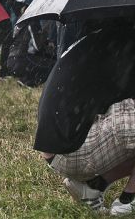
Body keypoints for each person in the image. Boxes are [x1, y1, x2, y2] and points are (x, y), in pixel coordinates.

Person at [35, 20, 135, 215]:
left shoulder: (108, 36)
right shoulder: (126, 46)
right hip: (69, 151)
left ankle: (94, 185)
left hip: (60, 149)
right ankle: (128, 200)